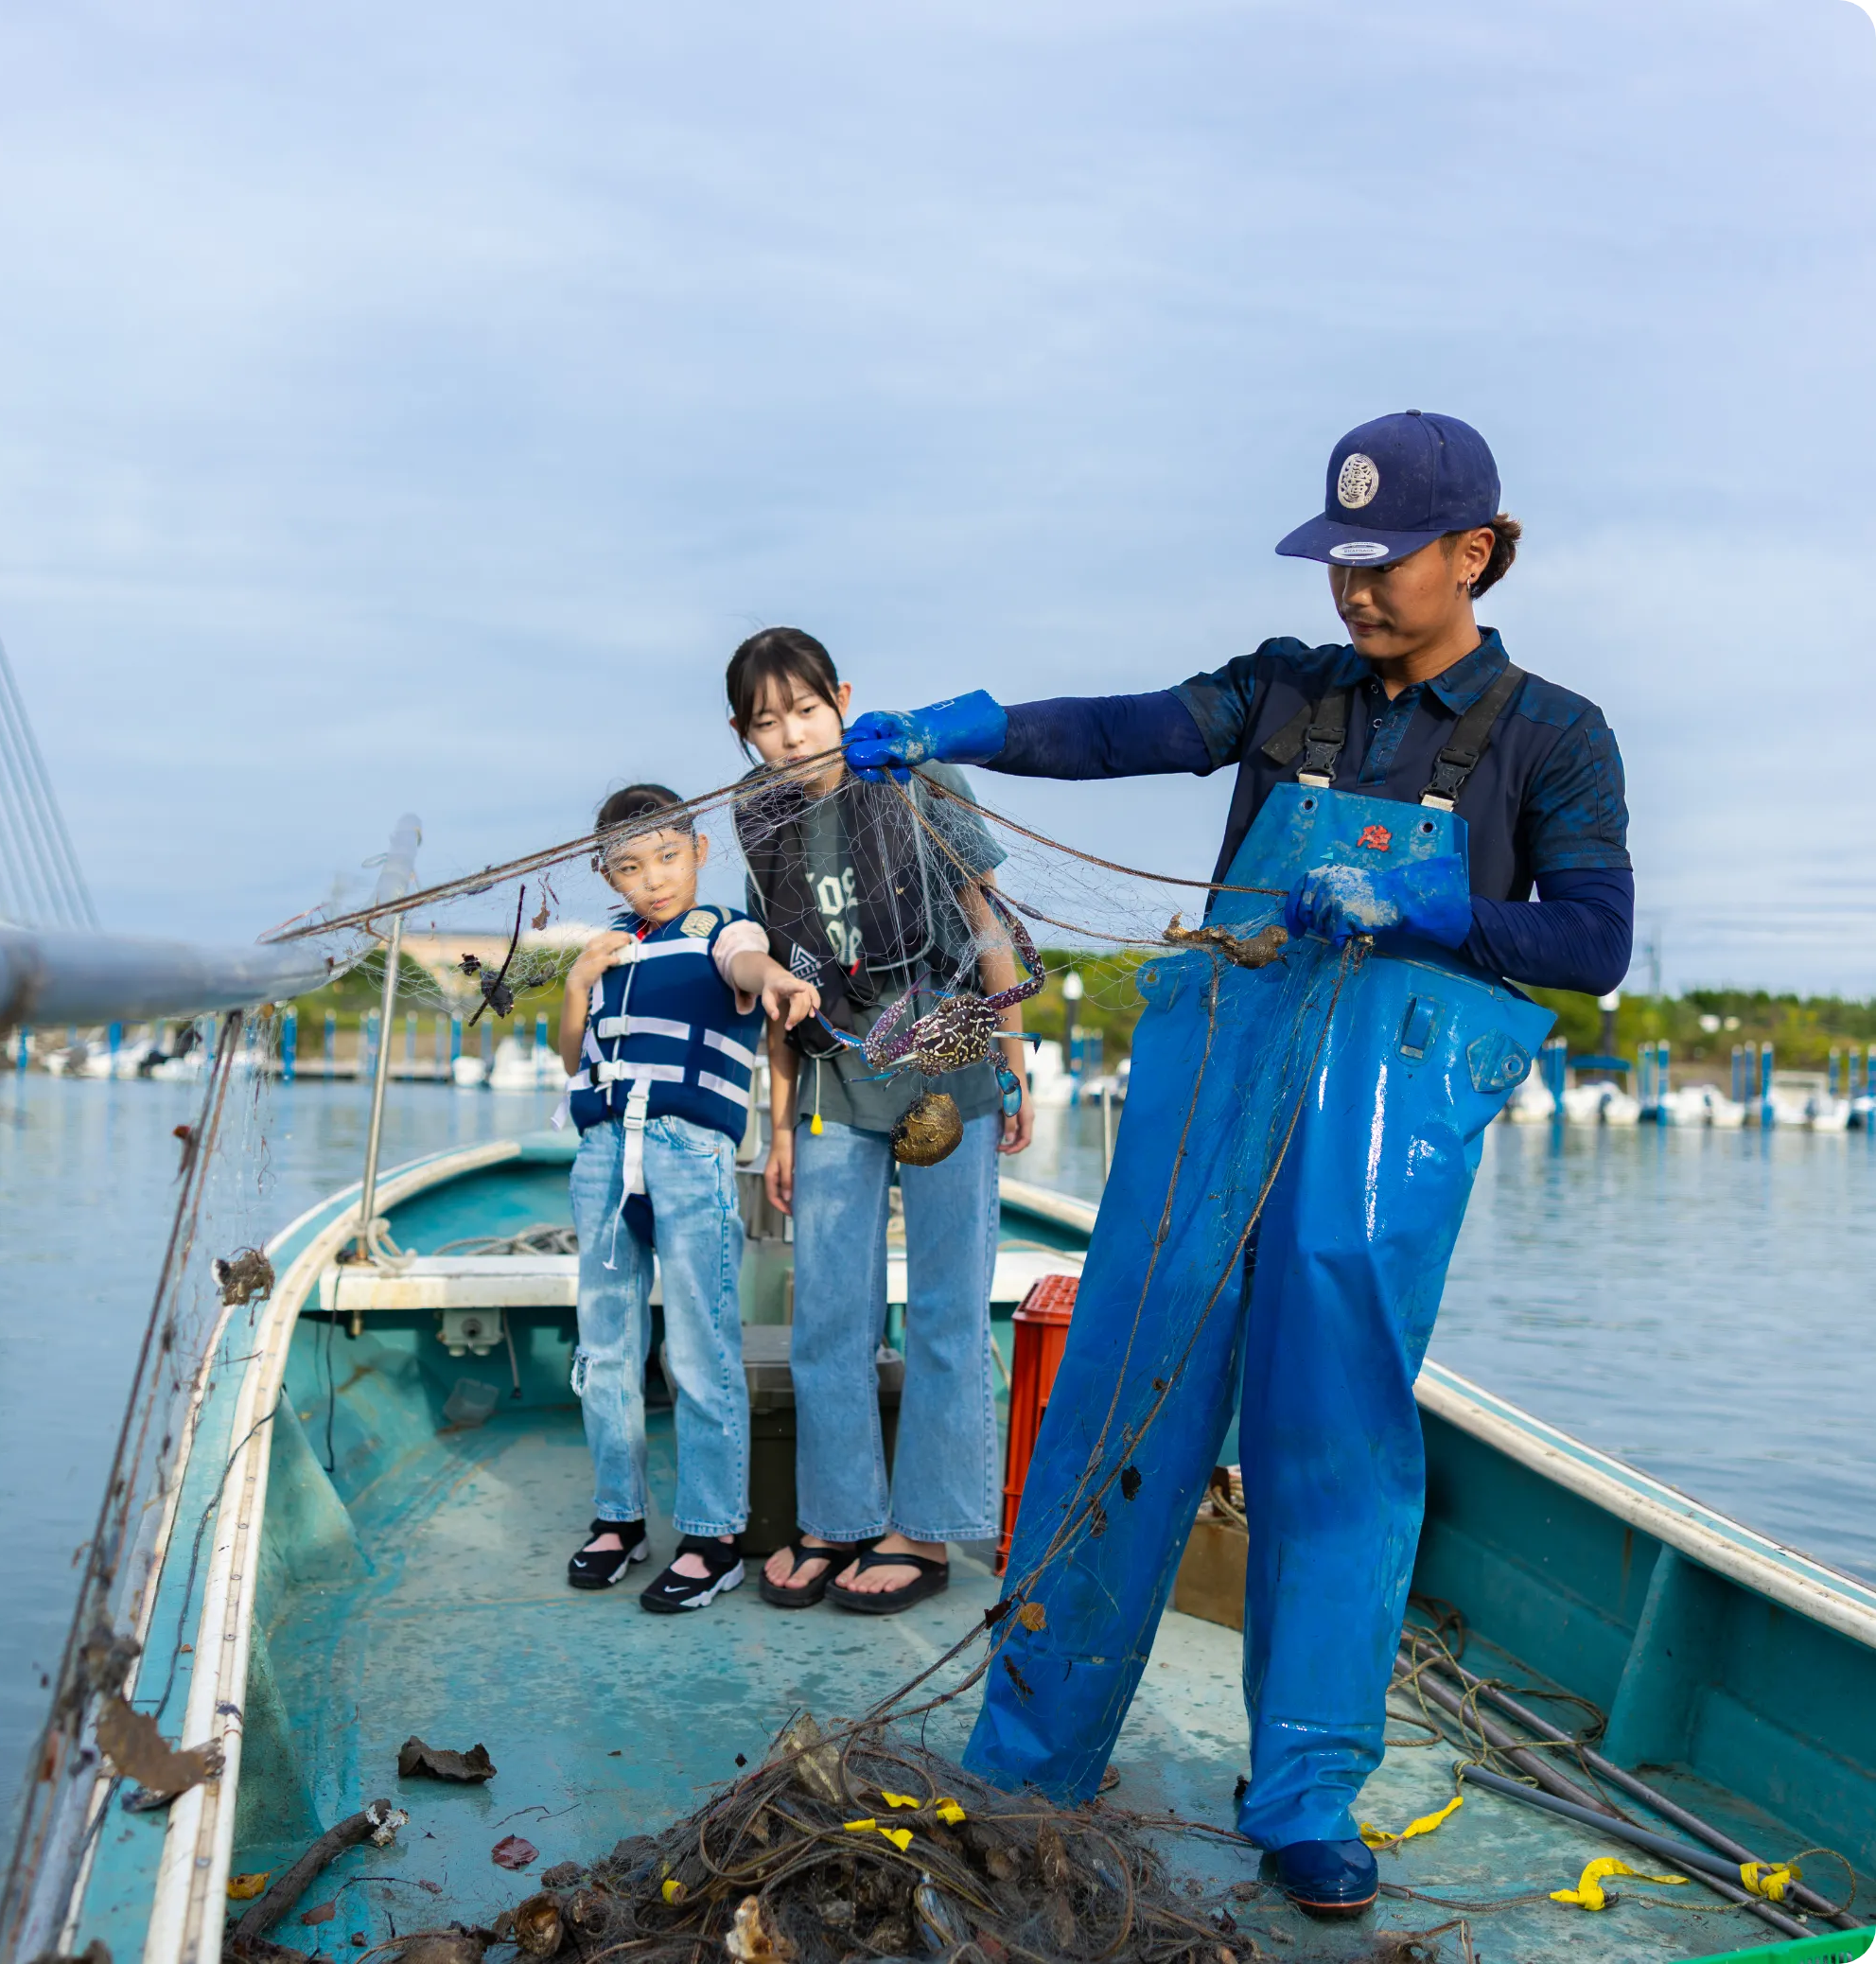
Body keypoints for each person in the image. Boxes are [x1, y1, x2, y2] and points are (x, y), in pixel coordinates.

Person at [840, 412, 1633, 1912]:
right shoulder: (1284, 691)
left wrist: (1435, 916)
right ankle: (1030, 1752)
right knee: (1117, 1407)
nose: (1354, 590)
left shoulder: (1553, 734)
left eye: (1384, 563)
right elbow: (1124, 729)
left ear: (1474, 554)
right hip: (1211, 1109)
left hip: (1380, 1145)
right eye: (1336, 560)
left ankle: (1307, 1796)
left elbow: (1596, 938)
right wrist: (967, 729)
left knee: (1330, 1451)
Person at [725, 628, 1035, 1615]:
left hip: (948, 1060)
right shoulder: (759, 822)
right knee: (825, 1313)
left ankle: (928, 1531)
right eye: (767, 724)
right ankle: (837, 1517)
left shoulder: (920, 776)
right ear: (744, 734)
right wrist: (776, 1127)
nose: (792, 736)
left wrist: (1016, 1063)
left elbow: (988, 918)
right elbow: (779, 977)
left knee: (947, 1305)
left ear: (842, 698)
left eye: (808, 711)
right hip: (833, 1078)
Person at [558, 783, 819, 1613]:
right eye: (630, 867)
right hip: (602, 1153)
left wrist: (775, 979)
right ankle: (618, 1518)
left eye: (668, 857)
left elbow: (748, 965)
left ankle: (713, 1535)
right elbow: (572, 1057)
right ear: (608, 873)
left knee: (699, 1347)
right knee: (604, 1346)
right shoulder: (610, 947)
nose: (654, 879)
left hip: (686, 1154)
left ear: (699, 852)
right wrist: (575, 986)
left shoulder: (723, 931)